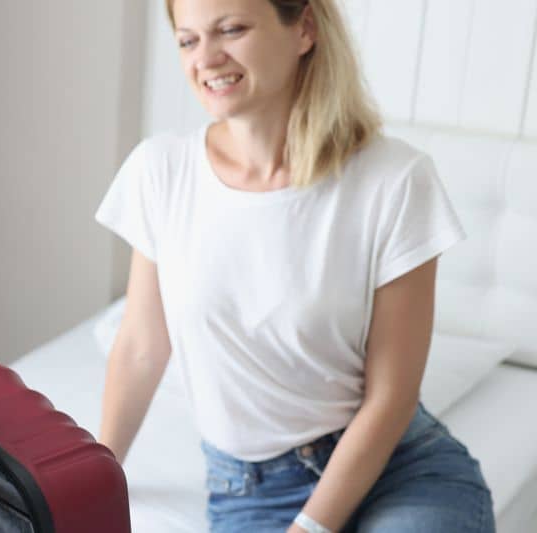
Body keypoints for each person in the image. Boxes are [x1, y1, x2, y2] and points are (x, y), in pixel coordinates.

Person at [95, 0, 494, 531]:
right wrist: (92, 480)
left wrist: (310, 527)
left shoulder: (394, 181)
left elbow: (392, 395)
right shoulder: (160, 170)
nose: (206, 58)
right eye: (188, 40)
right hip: (249, 490)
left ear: (304, 27)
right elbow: (142, 346)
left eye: (230, 30)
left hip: (400, 470)